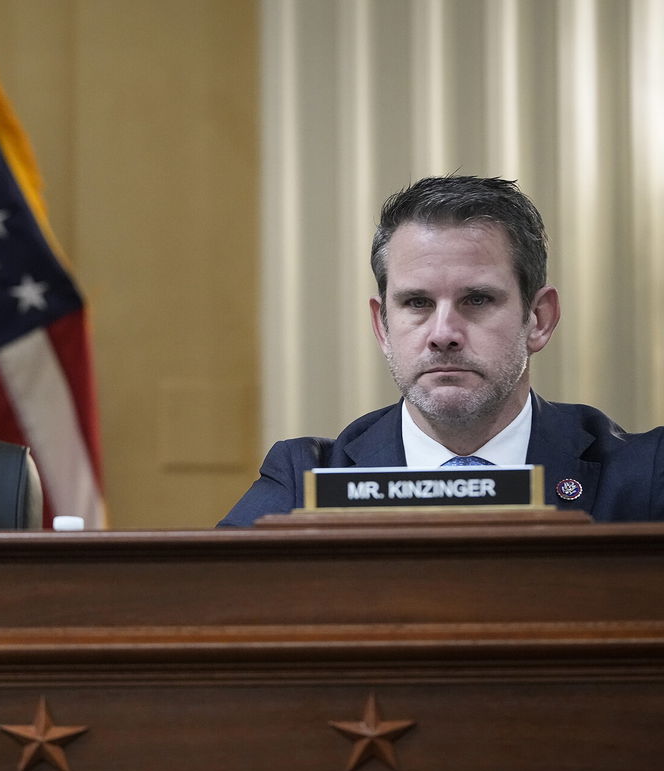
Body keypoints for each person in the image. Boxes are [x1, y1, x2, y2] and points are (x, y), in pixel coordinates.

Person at [220, 175, 664, 526]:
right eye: (417, 303)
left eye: (477, 300)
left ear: (539, 319)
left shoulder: (644, 475)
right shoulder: (305, 482)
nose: (444, 333)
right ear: (383, 325)